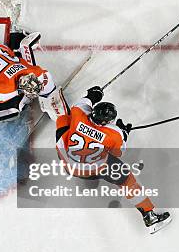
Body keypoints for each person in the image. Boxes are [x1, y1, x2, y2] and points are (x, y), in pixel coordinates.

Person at [55, 86, 171, 234]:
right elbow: (118, 152)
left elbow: (87, 99)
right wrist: (124, 135)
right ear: (107, 121)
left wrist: (95, 95)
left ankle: (85, 178)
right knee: (126, 179)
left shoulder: (79, 113)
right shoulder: (114, 133)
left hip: (67, 161)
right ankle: (150, 216)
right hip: (92, 168)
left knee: (64, 119)